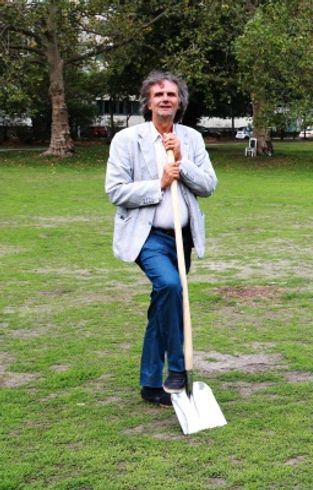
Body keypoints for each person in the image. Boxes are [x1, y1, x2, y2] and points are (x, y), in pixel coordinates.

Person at [105, 71, 217, 406]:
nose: (165, 99)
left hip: (183, 238)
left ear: (180, 101)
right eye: (158, 94)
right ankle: (179, 368)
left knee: (164, 304)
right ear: (148, 103)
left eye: (171, 94)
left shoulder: (191, 138)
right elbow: (115, 191)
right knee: (170, 287)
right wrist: (160, 183)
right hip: (147, 237)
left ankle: (151, 383)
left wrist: (182, 162)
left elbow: (208, 186)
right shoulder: (127, 140)